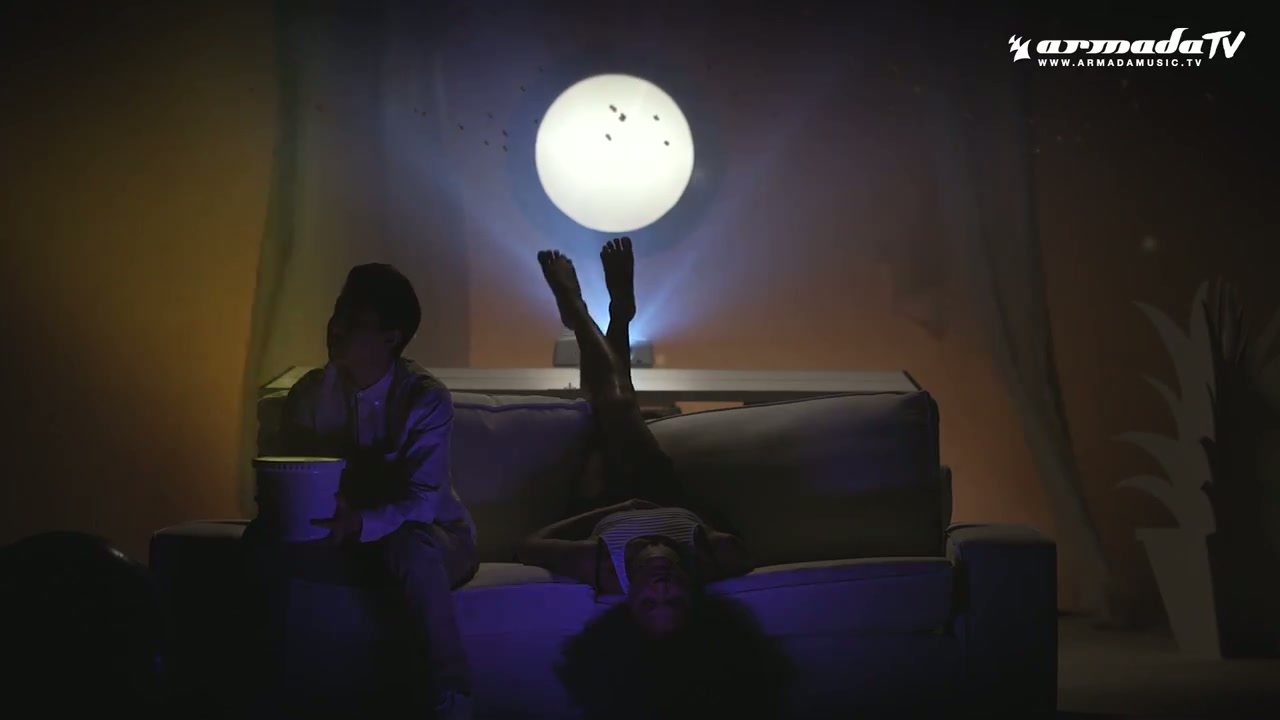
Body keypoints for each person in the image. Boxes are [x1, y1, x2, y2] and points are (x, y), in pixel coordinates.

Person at [244, 263, 478, 719]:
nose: (335, 327)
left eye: (353, 320)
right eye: (337, 313)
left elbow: (423, 501)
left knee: (410, 547)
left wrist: (362, 521)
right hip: (340, 534)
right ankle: (257, 691)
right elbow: (291, 471)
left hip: (431, 535)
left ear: (391, 337)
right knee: (260, 542)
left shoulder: (424, 398)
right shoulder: (310, 393)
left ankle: (450, 696)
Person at [517, 238, 755, 639]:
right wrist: (691, 520)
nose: (661, 590)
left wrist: (617, 509)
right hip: (660, 490)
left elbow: (528, 546)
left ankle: (610, 314)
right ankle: (582, 314)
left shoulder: (605, 570)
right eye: (674, 602)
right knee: (616, 405)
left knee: (605, 408)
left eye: (649, 603)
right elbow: (726, 522)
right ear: (694, 599)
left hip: (598, 501)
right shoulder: (718, 558)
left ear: (630, 602)